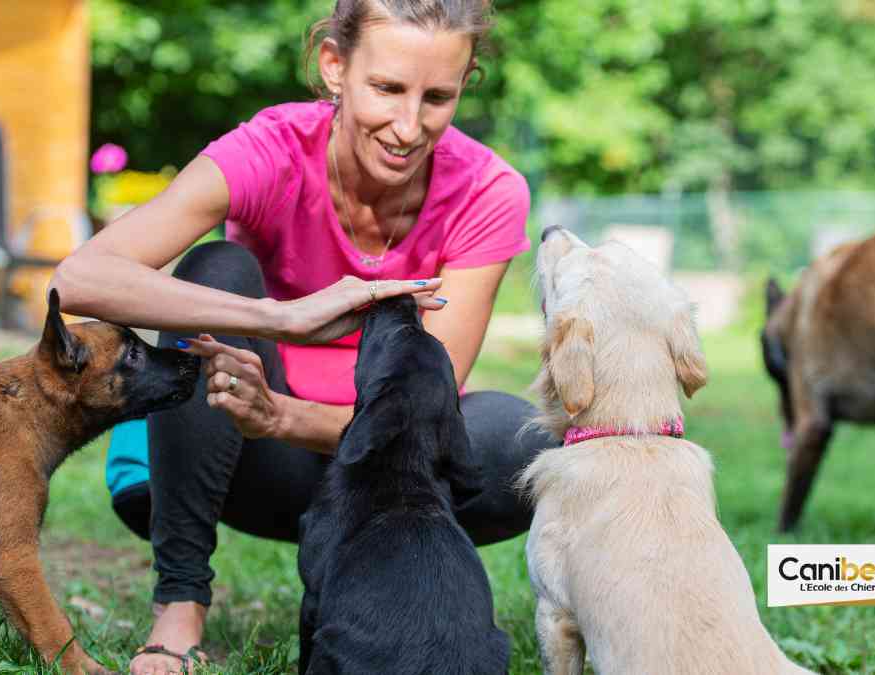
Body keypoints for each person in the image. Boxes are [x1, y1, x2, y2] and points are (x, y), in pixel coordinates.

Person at [51, 1, 557, 672]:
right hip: (246, 461)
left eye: (437, 97)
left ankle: (388, 589)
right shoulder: (272, 150)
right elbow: (79, 278)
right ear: (334, 67)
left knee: (525, 441)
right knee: (216, 269)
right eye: (387, 88)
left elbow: (423, 416)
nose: (409, 127)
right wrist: (281, 317)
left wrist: (283, 415)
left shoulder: (487, 190)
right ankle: (179, 604)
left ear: (466, 84)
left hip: (382, 475)